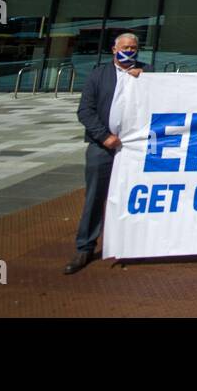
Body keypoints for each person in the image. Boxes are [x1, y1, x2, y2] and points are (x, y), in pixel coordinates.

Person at [64, 32, 147, 275]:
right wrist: (104, 136)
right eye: (125, 47)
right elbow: (85, 111)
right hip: (104, 148)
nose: (130, 51)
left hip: (136, 150)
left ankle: (132, 243)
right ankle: (85, 246)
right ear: (114, 49)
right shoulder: (98, 75)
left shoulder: (148, 72)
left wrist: (145, 79)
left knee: (135, 195)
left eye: (134, 47)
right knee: (95, 197)